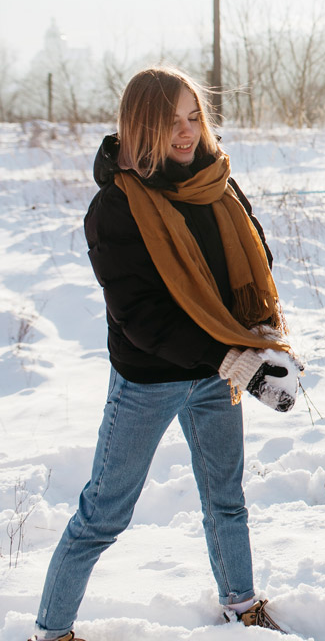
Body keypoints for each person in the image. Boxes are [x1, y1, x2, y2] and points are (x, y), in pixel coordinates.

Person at [31, 67, 301, 641]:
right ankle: (51, 632)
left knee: (226, 498)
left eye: (193, 116)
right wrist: (230, 359)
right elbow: (140, 315)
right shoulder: (117, 207)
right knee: (104, 512)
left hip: (218, 371)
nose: (185, 132)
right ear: (139, 125)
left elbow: (253, 257)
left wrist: (258, 338)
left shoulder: (217, 182)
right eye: (169, 120)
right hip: (149, 380)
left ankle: (241, 606)